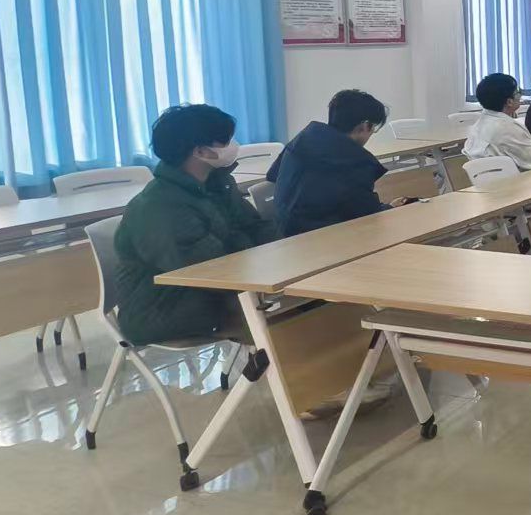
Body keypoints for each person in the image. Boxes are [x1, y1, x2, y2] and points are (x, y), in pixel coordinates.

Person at [114, 104, 272, 345]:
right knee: (278, 322)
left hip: (208, 294)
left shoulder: (217, 183)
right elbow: (206, 271)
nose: (233, 145)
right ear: (200, 151)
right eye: (225, 140)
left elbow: (254, 227)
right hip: (163, 309)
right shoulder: (160, 206)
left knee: (299, 304)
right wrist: (246, 245)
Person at [267, 89, 393, 237]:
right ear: (364, 126)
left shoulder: (302, 140)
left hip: (281, 232)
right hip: (323, 238)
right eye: (374, 128)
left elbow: (272, 175)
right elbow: (368, 215)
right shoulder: (356, 162)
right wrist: (390, 207)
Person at [464, 72, 531, 171]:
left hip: (491, 179)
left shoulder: (480, 123)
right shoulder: (508, 128)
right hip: (519, 179)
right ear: (509, 102)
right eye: (517, 91)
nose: (520, 95)